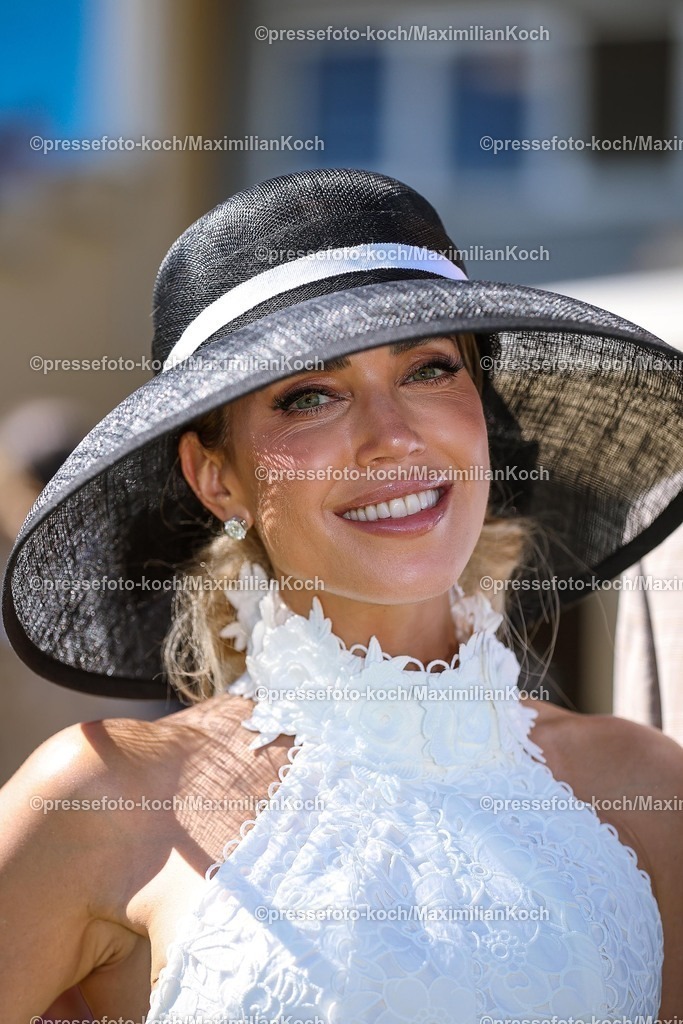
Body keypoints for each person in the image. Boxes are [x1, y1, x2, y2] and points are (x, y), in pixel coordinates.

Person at [1, 168, 682, 1021]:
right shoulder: (103, 799)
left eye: (428, 370)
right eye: (310, 395)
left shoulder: (647, 790)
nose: (392, 439)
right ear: (215, 476)